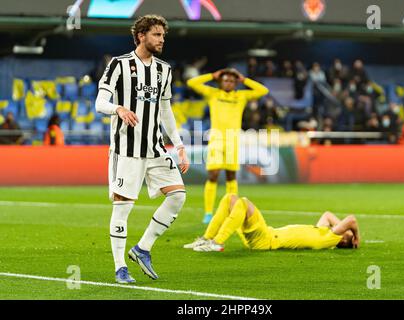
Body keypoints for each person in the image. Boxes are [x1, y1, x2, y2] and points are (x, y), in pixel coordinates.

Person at [95, 15, 190, 284]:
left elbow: (165, 110)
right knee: (123, 208)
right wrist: (118, 108)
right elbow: (99, 102)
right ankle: (119, 267)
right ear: (141, 36)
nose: (161, 40)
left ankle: (142, 248)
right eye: (157, 35)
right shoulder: (118, 65)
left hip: (156, 148)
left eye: (163, 36)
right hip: (127, 150)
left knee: (178, 196)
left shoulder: (164, 70)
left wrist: (179, 145)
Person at [187, 68, 269, 224]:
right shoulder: (213, 94)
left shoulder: (241, 96)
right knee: (213, 175)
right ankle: (208, 213)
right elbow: (192, 82)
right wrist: (212, 74)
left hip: (233, 140)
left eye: (232, 81)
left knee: (231, 176)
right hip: (216, 139)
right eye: (225, 80)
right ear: (220, 81)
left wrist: (244, 80)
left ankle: (232, 210)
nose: (228, 83)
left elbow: (263, 90)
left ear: (235, 83)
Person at [184, 194, 360, 252]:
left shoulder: (331, 239)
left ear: (344, 240)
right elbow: (328, 215)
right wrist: (346, 233)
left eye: (346, 232)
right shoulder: (323, 232)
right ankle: (206, 239)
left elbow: (351, 219)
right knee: (230, 198)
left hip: (266, 239)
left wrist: (356, 237)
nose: (339, 226)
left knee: (243, 202)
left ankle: (217, 242)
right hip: (265, 235)